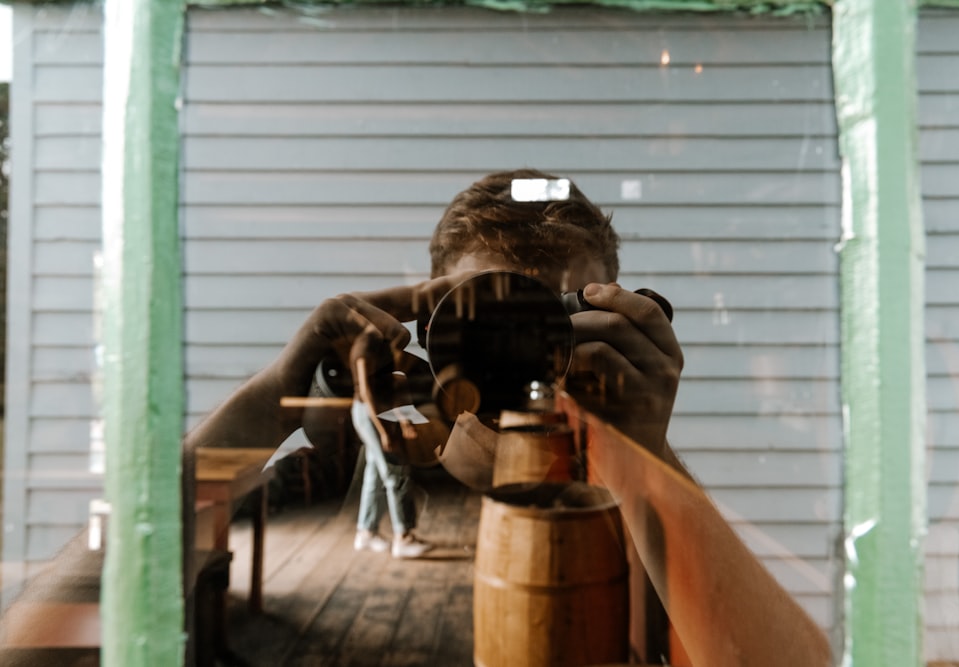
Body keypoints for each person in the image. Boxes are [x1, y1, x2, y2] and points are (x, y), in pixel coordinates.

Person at [183, 168, 832, 666]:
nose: (519, 346)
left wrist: (645, 452)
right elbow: (103, 603)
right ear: (427, 321)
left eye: (552, 319)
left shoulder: (638, 509)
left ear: (607, 323)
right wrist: (276, 394)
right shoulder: (328, 482)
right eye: (490, 317)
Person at [349, 357, 432, 558]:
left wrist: (404, 422)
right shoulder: (368, 346)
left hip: (379, 413)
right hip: (370, 414)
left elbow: (395, 391)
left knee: (375, 473)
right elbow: (368, 395)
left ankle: (366, 532)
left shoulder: (388, 351)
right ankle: (402, 538)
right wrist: (384, 432)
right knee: (395, 472)